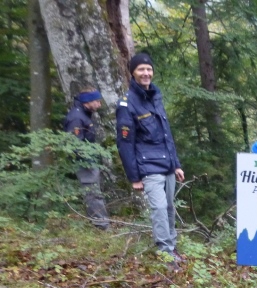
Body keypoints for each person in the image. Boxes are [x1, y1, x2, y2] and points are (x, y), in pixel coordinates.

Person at [116, 53, 185, 263]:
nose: (146, 73)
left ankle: (172, 247)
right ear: (133, 73)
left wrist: (176, 164)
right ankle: (165, 252)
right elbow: (125, 143)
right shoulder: (127, 103)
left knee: (170, 207)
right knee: (159, 208)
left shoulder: (156, 96)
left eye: (149, 69)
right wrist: (134, 177)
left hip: (167, 165)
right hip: (148, 167)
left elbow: (166, 134)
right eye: (141, 69)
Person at [63, 87, 110, 230]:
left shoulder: (84, 114)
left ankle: (100, 223)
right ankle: (101, 226)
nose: (99, 104)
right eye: (97, 101)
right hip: (84, 162)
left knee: (95, 192)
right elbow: (75, 144)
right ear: (87, 102)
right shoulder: (76, 118)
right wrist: (87, 161)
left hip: (90, 159)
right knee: (92, 193)